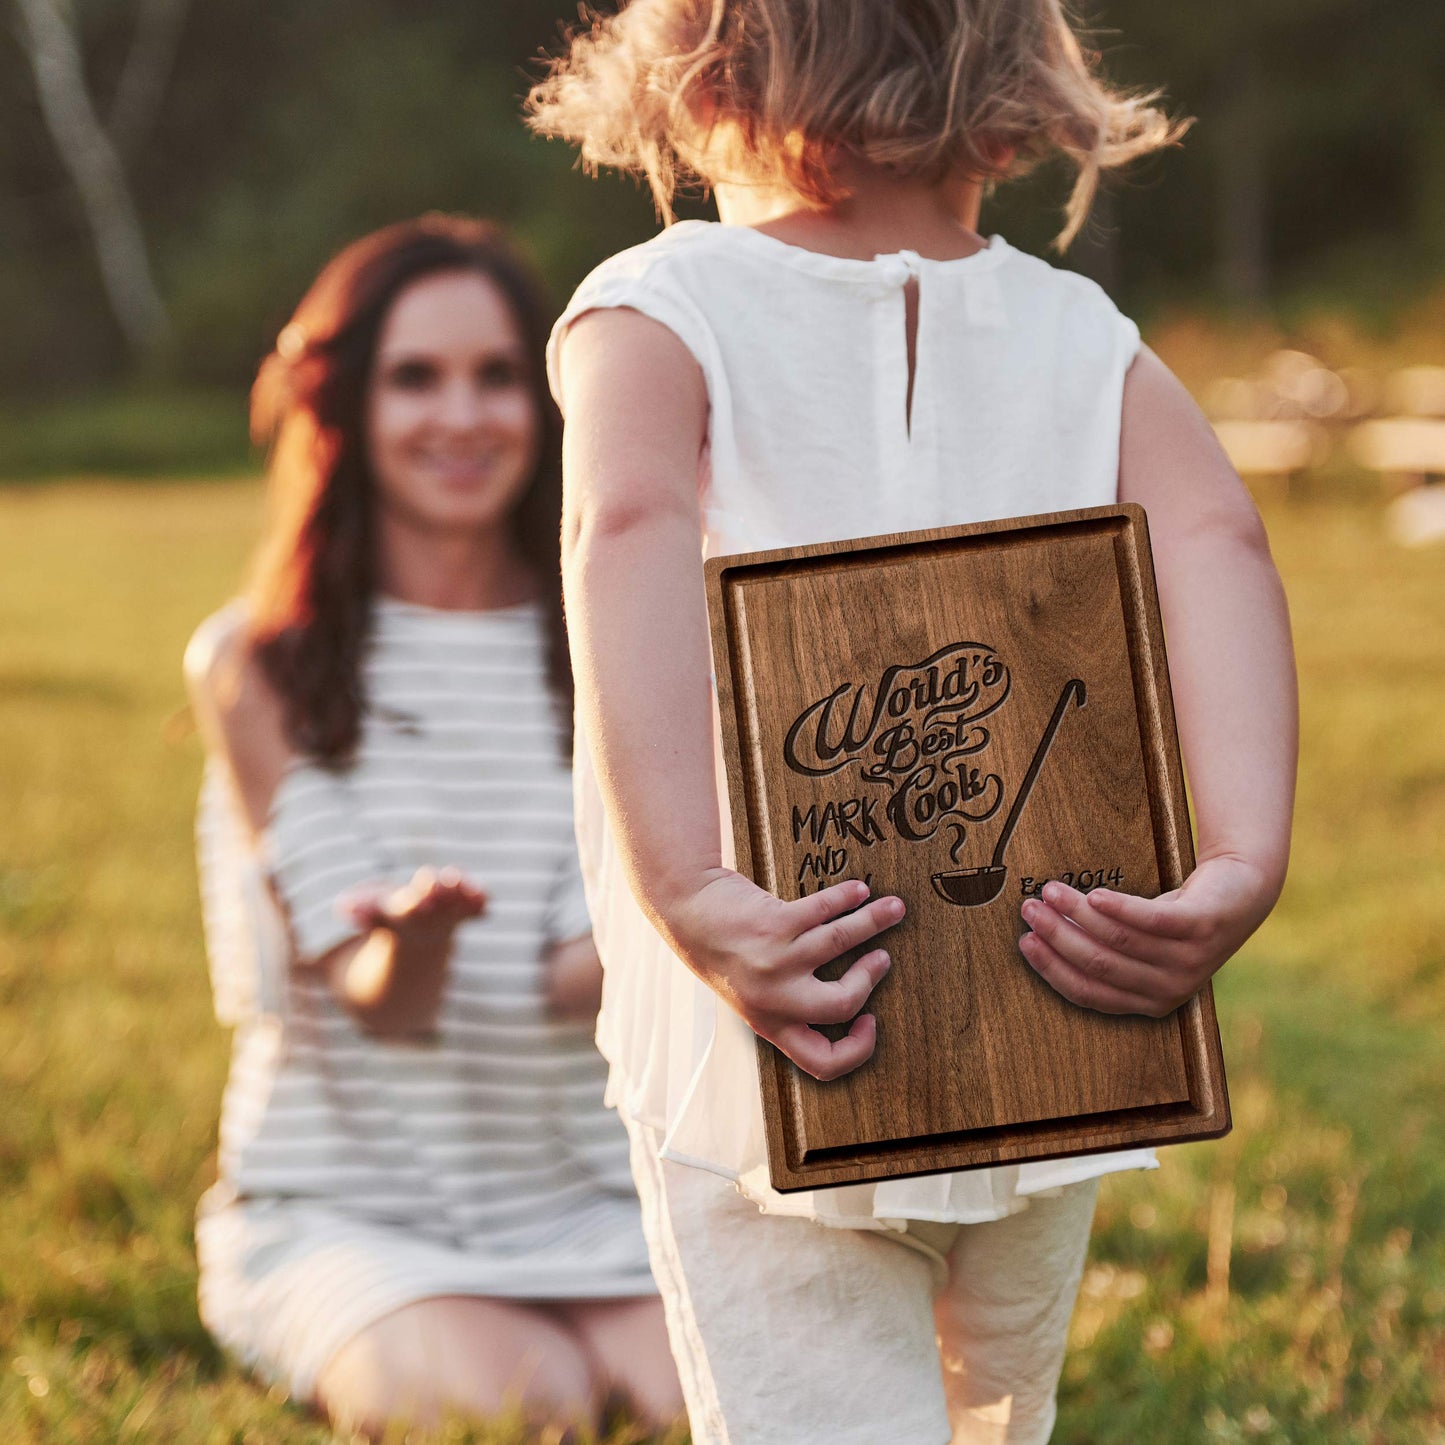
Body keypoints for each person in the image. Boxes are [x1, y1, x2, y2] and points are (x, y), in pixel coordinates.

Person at [528, 3, 1298, 1442]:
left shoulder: (659, 305)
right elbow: (1220, 543)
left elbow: (620, 531)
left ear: (702, 78)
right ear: (1017, 92)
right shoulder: (1080, 331)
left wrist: (694, 888)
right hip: (1051, 996)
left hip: (781, 994)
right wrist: (1237, 862)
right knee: (1004, 1410)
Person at [184, 214, 684, 1438]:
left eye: (496, 376)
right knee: (530, 1405)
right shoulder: (257, 665)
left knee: (708, 1401)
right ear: (347, 403)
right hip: (353, 1207)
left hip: (593, 1199)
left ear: (548, 400)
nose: (460, 416)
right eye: (416, 377)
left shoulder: (613, 640)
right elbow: (381, 999)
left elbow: (581, 979)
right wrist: (413, 935)